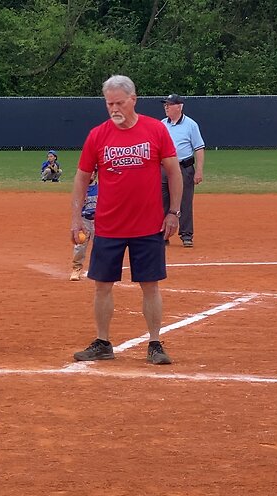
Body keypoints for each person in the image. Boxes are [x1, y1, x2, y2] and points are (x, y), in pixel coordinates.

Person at [70, 75, 183, 366]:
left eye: (119, 102)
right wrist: (76, 218)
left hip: (149, 224)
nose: (114, 108)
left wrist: (173, 212)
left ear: (133, 99)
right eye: (109, 103)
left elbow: (173, 172)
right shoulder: (98, 135)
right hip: (109, 224)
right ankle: (103, 341)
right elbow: (82, 177)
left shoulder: (155, 130)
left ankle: (155, 343)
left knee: (150, 285)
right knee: (102, 285)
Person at [159, 94, 205, 248]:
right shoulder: (162, 124)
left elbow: (199, 148)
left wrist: (199, 170)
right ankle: (163, 235)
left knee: (184, 201)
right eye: (165, 104)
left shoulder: (191, 125)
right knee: (162, 201)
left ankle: (186, 235)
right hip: (164, 168)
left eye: (169, 105)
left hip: (183, 168)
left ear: (179, 107)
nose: (166, 107)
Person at [70, 171, 97, 281]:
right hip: (84, 220)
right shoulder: (81, 189)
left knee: (100, 246)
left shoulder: (101, 187)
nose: (90, 175)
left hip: (98, 221)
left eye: (93, 173)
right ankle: (76, 269)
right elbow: (75, 204)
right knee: (80, 246)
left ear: (95, 175)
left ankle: (97, 270)